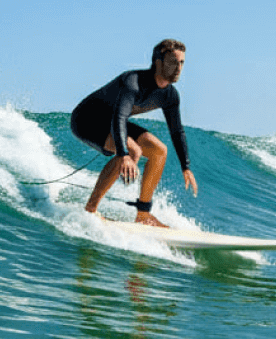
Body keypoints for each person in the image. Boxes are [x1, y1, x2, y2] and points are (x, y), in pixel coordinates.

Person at [70, 39, 199, 226]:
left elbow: (177, 131)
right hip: (87, 120)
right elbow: (119, 118)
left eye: (182, 63)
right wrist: (123, 154)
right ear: (158, 62)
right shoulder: (133, 82)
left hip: (112, 121)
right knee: (133, 151)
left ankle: (143, 214)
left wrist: (185, 166)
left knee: (159, 151)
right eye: (173, 62)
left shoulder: (170, 95)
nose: (178, 68)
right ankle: (91, 209)